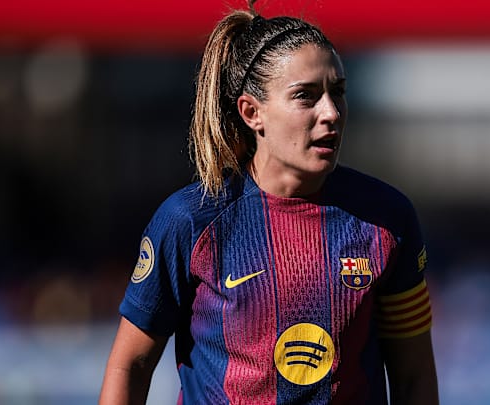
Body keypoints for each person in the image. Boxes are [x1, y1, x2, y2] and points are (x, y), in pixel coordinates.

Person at [99, 1, 438, 403]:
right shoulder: (191, 220)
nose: (331, 112)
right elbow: (131, 364)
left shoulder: (387, 218)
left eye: (338, 92)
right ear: (252, 112)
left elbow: (414, 376)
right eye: (305, 96)